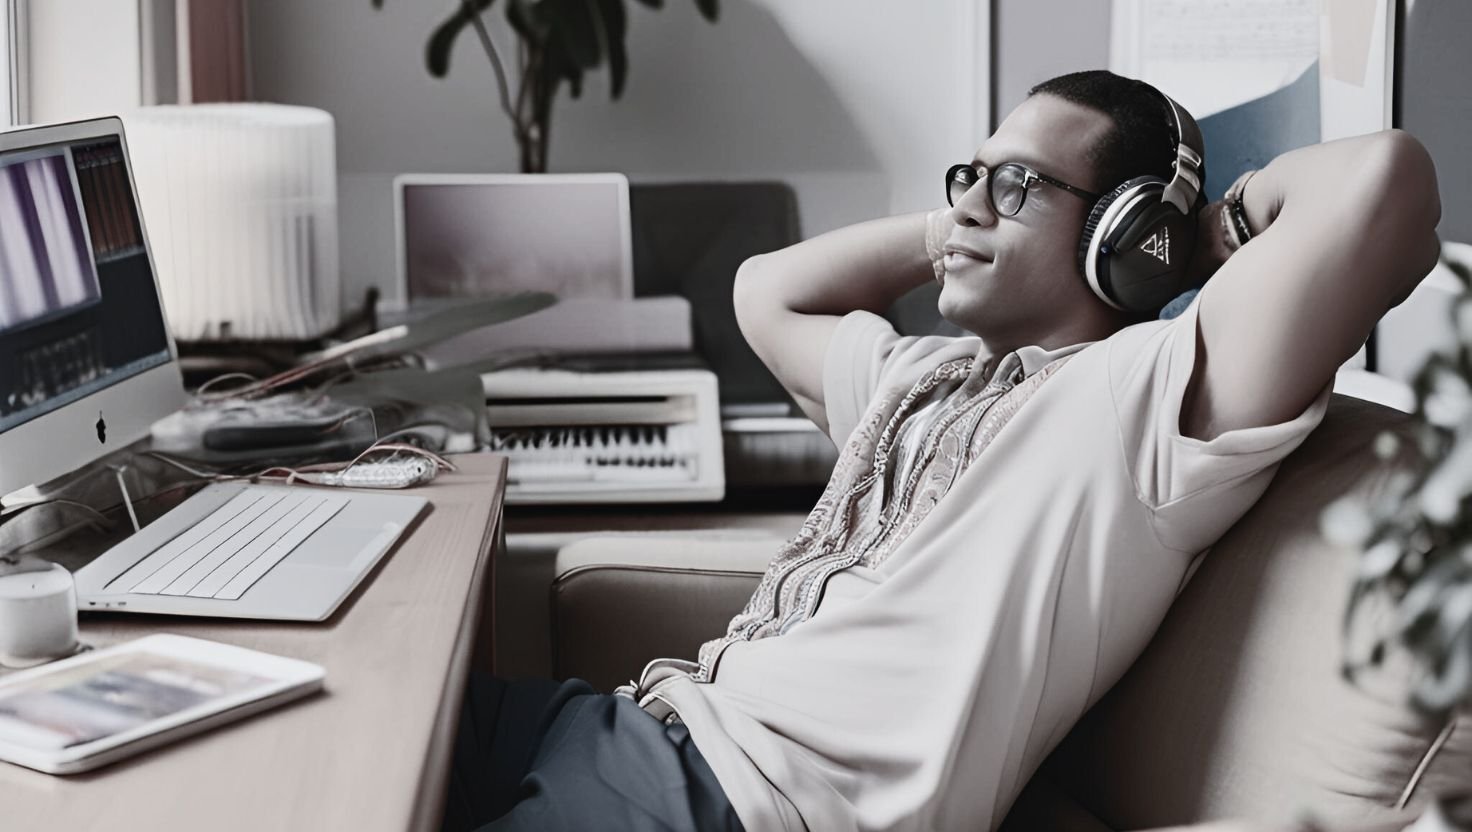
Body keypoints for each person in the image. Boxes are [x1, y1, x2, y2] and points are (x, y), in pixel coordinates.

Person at [443, 70, 1442, 832]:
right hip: (636, 721)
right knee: (342, 732)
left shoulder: (1136, 402)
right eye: (967, 173)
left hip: (731, 800)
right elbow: (764, 291)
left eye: (1014, 184)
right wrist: (957, 226)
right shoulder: (922, 374)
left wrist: (1199, 233)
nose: (969, 198)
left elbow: (1384, 186)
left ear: (1120, 236)